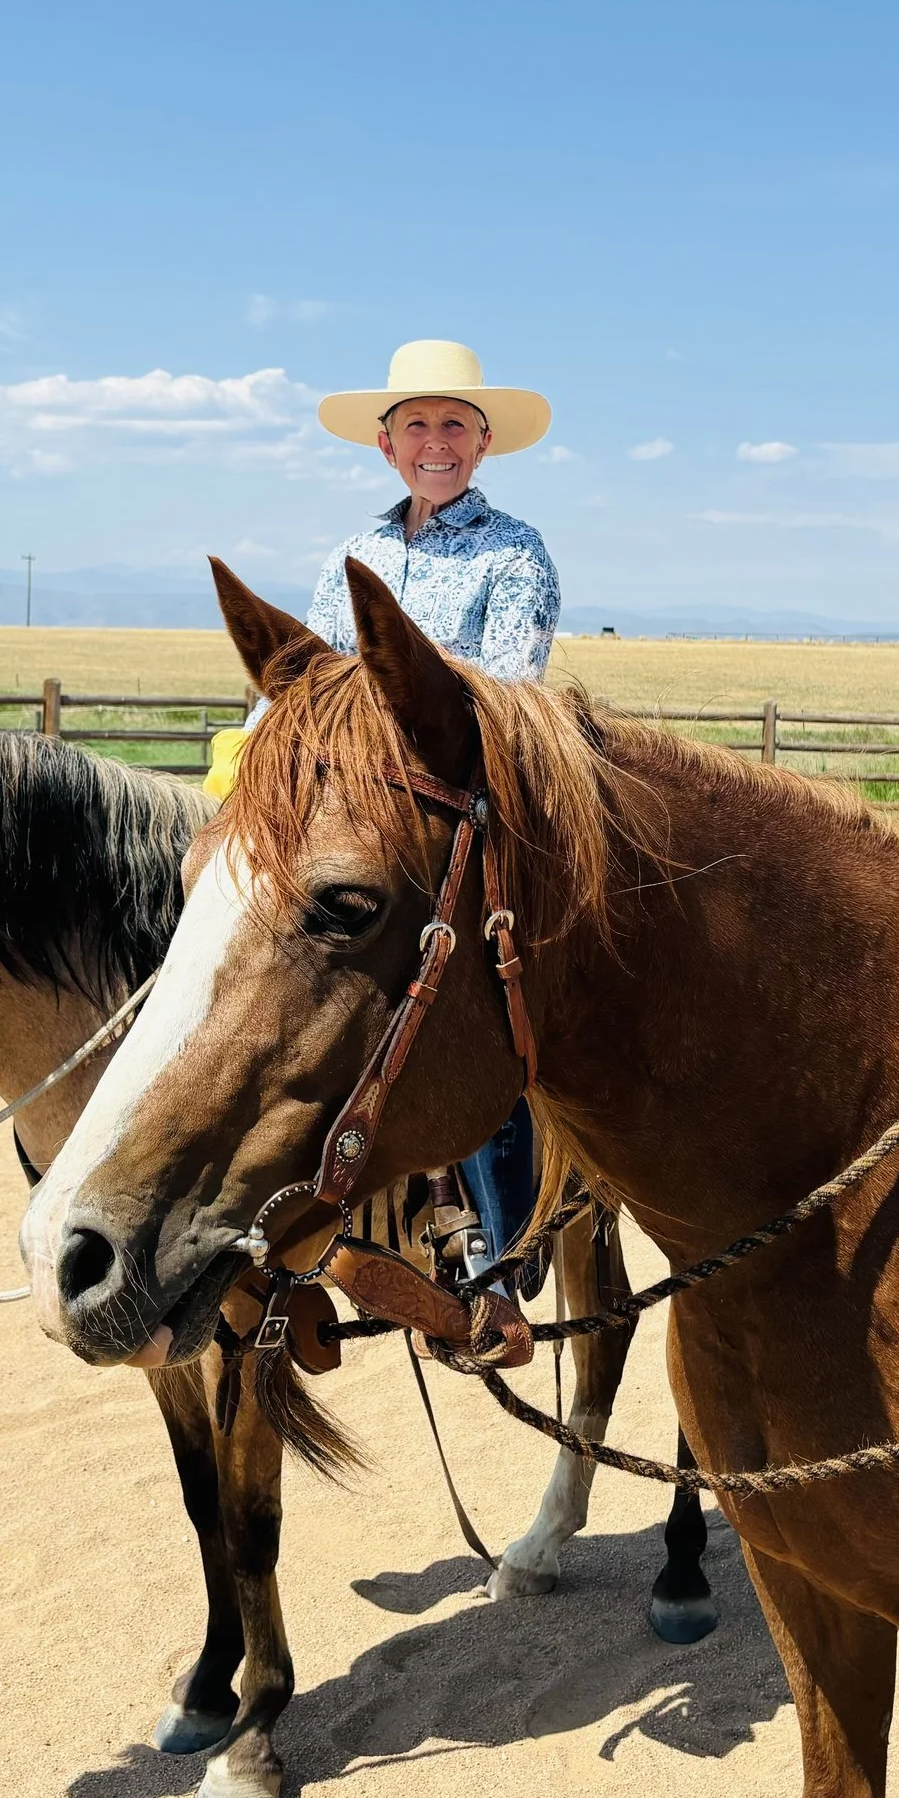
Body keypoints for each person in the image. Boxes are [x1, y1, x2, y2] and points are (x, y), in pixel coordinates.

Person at [207, 338, 560, 1276]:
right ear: (385, 443)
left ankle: (506, 1235)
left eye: (453, 425)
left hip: (457, 812)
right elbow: (304, 687)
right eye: (417, 426)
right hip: (349, 810)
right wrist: (251, 760)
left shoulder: (515, 554)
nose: (434, 442)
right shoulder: (354, 554)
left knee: (479, 990)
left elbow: (504, 701)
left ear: (483, 444)